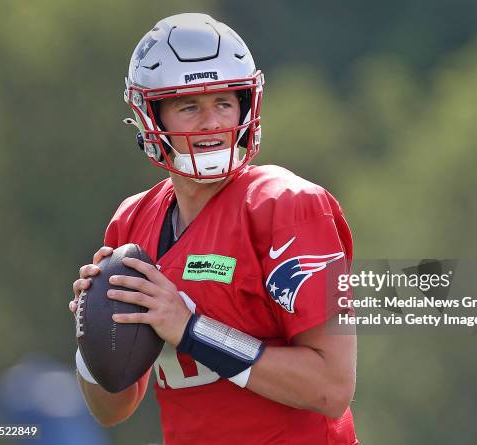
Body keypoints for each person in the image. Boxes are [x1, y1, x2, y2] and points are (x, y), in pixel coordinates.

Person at [69, 13, 358, 445]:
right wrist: (92, 339)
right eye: (189, 106)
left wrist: (192, 330)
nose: (212, 123)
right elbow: (113, 407)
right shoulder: (132, 222)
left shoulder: (287, 207)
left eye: (224, 103)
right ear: (151, 117)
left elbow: (332, 387)